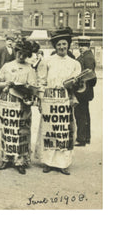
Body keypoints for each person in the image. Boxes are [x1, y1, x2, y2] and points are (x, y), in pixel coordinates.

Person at [35, 27, 81, 175]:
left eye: (64, 44)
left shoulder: (74, 64)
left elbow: (79, 84)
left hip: (65, 101)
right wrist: (41, 101)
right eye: (59, 44)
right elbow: (41, 82)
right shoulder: (47, 61)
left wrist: (74, 87)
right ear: (55, 46)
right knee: (49, 132)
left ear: (68, 45)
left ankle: (63, 163)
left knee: (64, 131)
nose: (62, 47)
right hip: (50, 100)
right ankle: (48, 162)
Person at [0, 40, 37, 174]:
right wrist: (6, 84)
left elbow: (33, 87)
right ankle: (6, 158)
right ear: (15, 52)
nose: (21, 56)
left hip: (21, 103)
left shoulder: (30, 68)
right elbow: (0, 81)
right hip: (7, 101)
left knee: (21, 131)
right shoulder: (7, 66)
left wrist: (25, 87)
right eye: (19, 53)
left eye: (24, 54)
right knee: (7, 130)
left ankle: (20, 161)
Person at [74, 36, 97, 146]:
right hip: (85, 90)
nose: (80, 48)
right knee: (84, 114)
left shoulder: (87, 57)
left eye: (83, 46)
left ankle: (81, 138)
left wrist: (79, 78)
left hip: (83, 90)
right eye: (80, 45)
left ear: (88, 46)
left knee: (80, 114)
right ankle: (86, 137)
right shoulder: (86, 55)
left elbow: (90, 75)